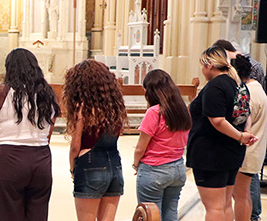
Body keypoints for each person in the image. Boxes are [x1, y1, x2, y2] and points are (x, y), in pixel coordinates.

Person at [0, 48, 60, 221]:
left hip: (9, 157)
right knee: (38, 214)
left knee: (8, 214)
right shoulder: (48, 94)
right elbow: (48, 133)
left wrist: (5, 164)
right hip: (41, 158)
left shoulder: (0, 93)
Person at [187, 46, 258, 221]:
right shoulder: (238, 83)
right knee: (225, 204)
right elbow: (245, 114)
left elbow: (217, 120)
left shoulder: (215, 86)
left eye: (203, 66)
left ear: (210, 64)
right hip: (232, 151)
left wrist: (241, 136)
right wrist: (244, 133)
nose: (202, 71)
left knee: (214, 207)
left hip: (212, 153)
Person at [64, 60, 127, 221]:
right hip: (114, 164)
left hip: (90, 164)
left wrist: (73, 168)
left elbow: (75, 146)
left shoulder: (83, 108)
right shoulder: (115, 107)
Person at [131, 69, 192, 221]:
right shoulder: (183, 110)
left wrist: (135, 164)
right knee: (170, 213)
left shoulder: (154, 112)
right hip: (177, 168)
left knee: (151, 215)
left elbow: (140, 147)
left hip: (154, 169)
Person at [230, 54, 267, 221]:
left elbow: (246, 123)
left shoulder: (248, 93)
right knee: (244, 197)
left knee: (241, 197)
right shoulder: (257, 86)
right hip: (255, 150)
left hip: (246, 151)